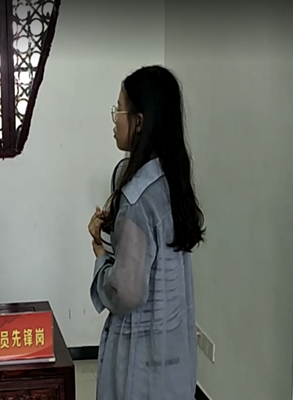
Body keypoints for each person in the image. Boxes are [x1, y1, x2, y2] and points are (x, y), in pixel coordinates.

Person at [87, 65, 205, 399]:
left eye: (119, 111)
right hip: (174, 349)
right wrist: (117, 224)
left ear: (139, 122)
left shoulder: (136, 199)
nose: (115, 121)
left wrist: (101, 256)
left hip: (141, 358)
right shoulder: (172, 180)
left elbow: (126, 293)